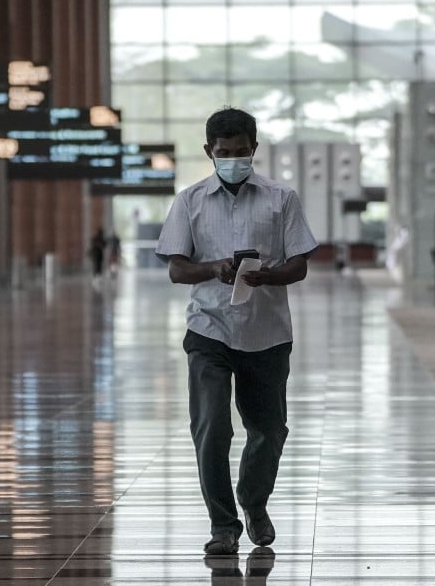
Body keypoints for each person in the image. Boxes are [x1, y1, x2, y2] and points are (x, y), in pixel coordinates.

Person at [155, 107, 318, 556]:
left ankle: (254, 501)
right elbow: (176, 268)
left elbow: (300, 263)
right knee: (211, 426)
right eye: (224, 153)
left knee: (269, 430)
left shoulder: (280, 199)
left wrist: (268, 275)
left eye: (242, 152)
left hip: (266, 332)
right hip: (209, 329)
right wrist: (212, 268)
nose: (233, 159)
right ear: (209, 152)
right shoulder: (189, 201)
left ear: (254, 150)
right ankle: (223, 524)